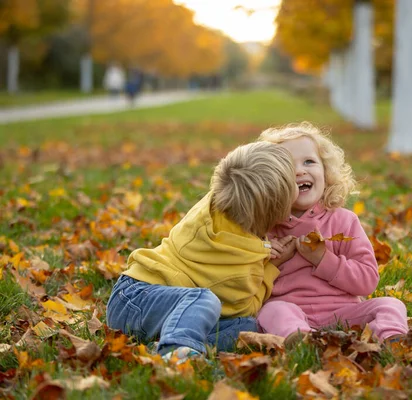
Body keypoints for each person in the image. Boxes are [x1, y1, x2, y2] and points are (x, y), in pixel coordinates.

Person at [106, 141, 298, 364]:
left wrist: (260, 246)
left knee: (246, 328)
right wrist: (271, 264)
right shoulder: (241, 264)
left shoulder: (211, 207)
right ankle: (178, 351)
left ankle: (166, 342)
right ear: (275, 212)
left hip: (144, 307)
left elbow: (247, 183)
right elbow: (246, 306)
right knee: (206, 300)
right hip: (138, 296)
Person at [256, 122, 409, 347]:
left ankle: (392, 339)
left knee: (390, 305)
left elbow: (367, 281)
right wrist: (274, 260)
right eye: (287, 166)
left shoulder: (344, 221)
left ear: (326, 173)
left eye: (309, 161)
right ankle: (303, 341)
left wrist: (323, 259)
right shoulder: (263, 227)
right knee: (272, 310)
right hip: (292, 311)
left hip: (345, 314)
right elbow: (248, 284)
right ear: (270, 181)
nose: (300, 171)